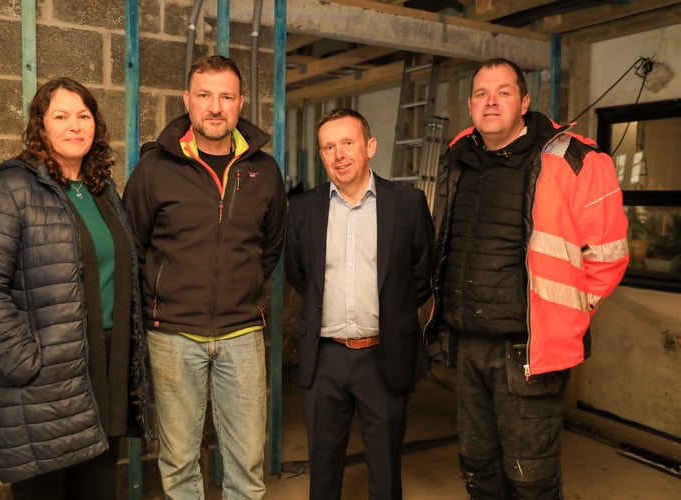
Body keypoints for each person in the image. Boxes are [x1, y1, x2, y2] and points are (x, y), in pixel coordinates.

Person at [428, 58, 630, 499]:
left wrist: (568, 314)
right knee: (479, 469)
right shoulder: (460, 153)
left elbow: (609, 255)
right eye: (481, 94)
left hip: (528, 349)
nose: (491, 102)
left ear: (524, 102)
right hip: (468, 343)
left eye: (502, 92)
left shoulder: (575, 157)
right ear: (469, 104)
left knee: (530, 477)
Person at [0, 77, 150, 499]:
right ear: (40, 126)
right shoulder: (13, 188)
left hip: (104, 369)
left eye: (83, 116)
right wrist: (27, 361)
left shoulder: (102, 191)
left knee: (98, 488)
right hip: (46, 382)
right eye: (61, 116)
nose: (74, 125)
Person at [122, 55, 287, 499]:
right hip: (173, 336)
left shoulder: (265, 171)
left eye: (226, 97)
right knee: (178, 463)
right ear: (187, 101)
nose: (215, 107)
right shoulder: (154, 169)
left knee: (247, 465)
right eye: (205, 95)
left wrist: (246, 288)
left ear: (241, 104)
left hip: (243, 334)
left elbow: (270, 248)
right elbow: (132, 247)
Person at [286, 108, 434, 500]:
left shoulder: (407, 204)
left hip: (383, 356)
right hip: (326, 359)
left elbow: (421, 276)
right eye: (328, 147)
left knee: (385, 468)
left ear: (369, 146)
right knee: (323, 466)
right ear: (321, 155)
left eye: (347, 143)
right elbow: (299, 274)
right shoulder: (303, 209)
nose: (339, 155)